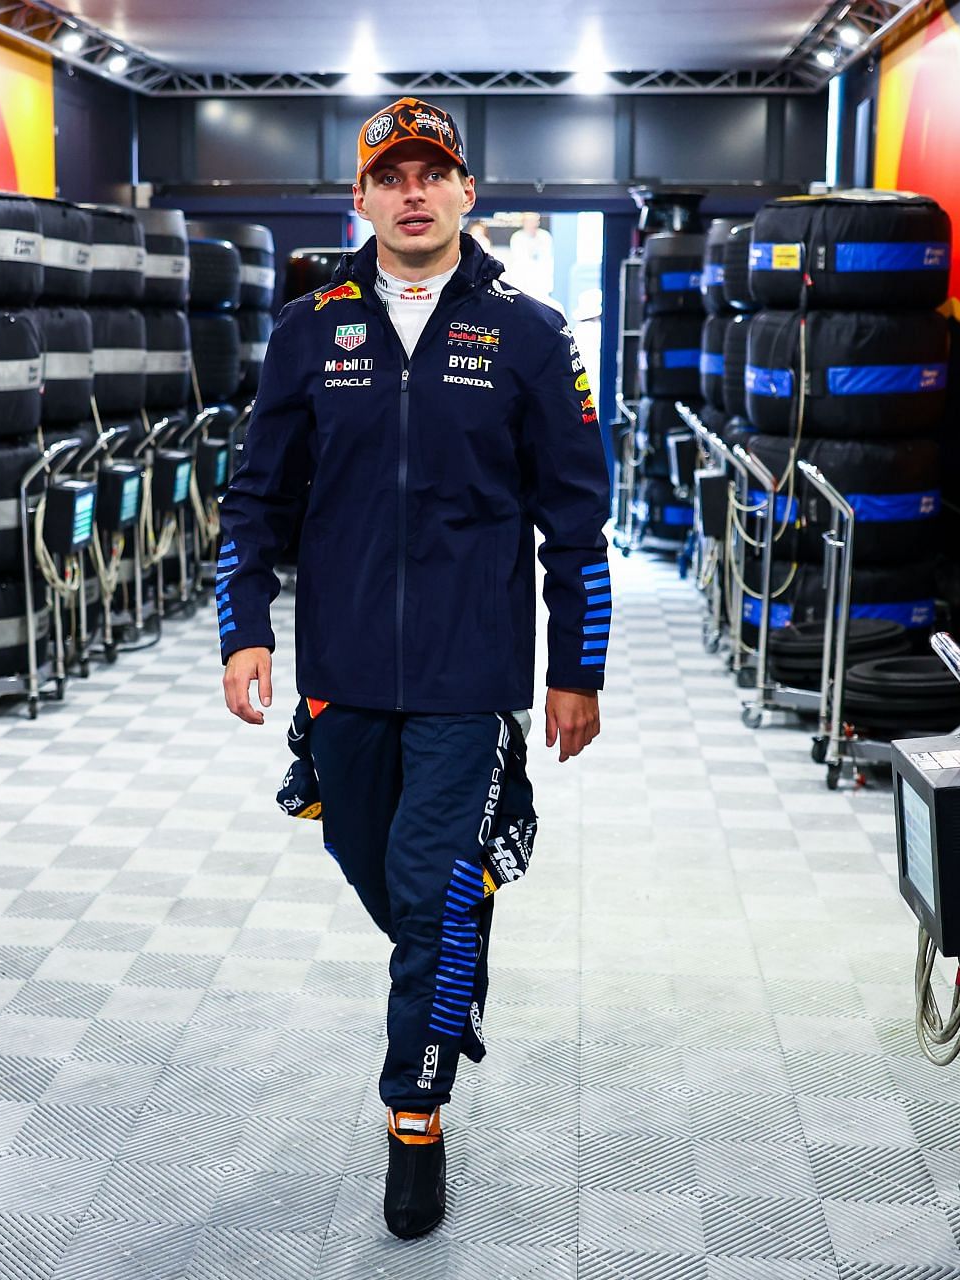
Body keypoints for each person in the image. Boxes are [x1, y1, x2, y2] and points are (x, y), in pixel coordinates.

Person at [215, 96, 610, 1239]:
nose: (414, 192)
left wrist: (574, 669)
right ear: (362, 198)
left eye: (434, 173)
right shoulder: (308, 329)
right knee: (388, 875)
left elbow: (578, 520)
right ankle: (456, 919)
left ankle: (415, 1115)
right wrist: (245, 626)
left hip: (468, 675)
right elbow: (255, 499)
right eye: (392, 176)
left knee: (433, 894)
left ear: (468, 193)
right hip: (341, 674)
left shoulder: (531, 335)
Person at [507, 210, 554, 296]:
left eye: (535, 221)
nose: (533, 224)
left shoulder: (545, 236)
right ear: (524, 222)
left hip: (541, 281)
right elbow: (520, 261)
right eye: (529, 221)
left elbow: (547, 259)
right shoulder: (517, 237)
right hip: (522, 282)